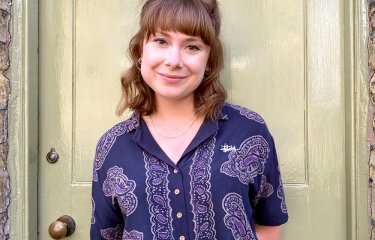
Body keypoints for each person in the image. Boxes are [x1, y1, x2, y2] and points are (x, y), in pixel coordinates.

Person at [90, 0, 288, 239]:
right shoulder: (112, 147)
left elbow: (269, 224)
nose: (174, 61)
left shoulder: (249, 132)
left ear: (209, 62)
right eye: (161, 41)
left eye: (192, 46)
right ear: (141, 50)